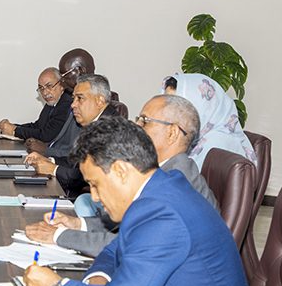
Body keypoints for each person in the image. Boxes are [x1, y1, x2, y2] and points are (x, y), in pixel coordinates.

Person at [23, 117, 262, 286]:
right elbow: (113, 250)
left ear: (121, 171)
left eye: (95, 184)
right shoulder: (158, 191)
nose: (94, 197)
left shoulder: (162, 213)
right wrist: (99, 277)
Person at [26, 94, 219, 257]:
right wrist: (78, 223)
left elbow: (128, 244)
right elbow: (128, 221)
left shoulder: (178, 178)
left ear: (172, 133)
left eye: (145, 121)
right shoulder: (161, 167)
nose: (137, 126)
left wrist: (58, 236)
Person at [24, 74, 117, 199]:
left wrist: (53, 169)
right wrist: (49, 160)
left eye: (80, 98)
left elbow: (83, 176)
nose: (73, 105)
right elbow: (77, 162)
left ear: (99, 101)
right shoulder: (95, 123)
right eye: (73, 99)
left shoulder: (110, 129)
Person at [163, 72, 257, 169]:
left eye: (176, 106)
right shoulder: (191, 138)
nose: (168, 112)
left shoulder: (217, 146)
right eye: (167, 104)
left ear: (201, 106)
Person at [0, 67, 72, 144]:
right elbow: (38, 126)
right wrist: (11, 126)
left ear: (62, 85)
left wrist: (15, 131)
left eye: (49, 86)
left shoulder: (66, 104)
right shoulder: (52, 102)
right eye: (41, 88)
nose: (45, 93)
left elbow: (46, 135)